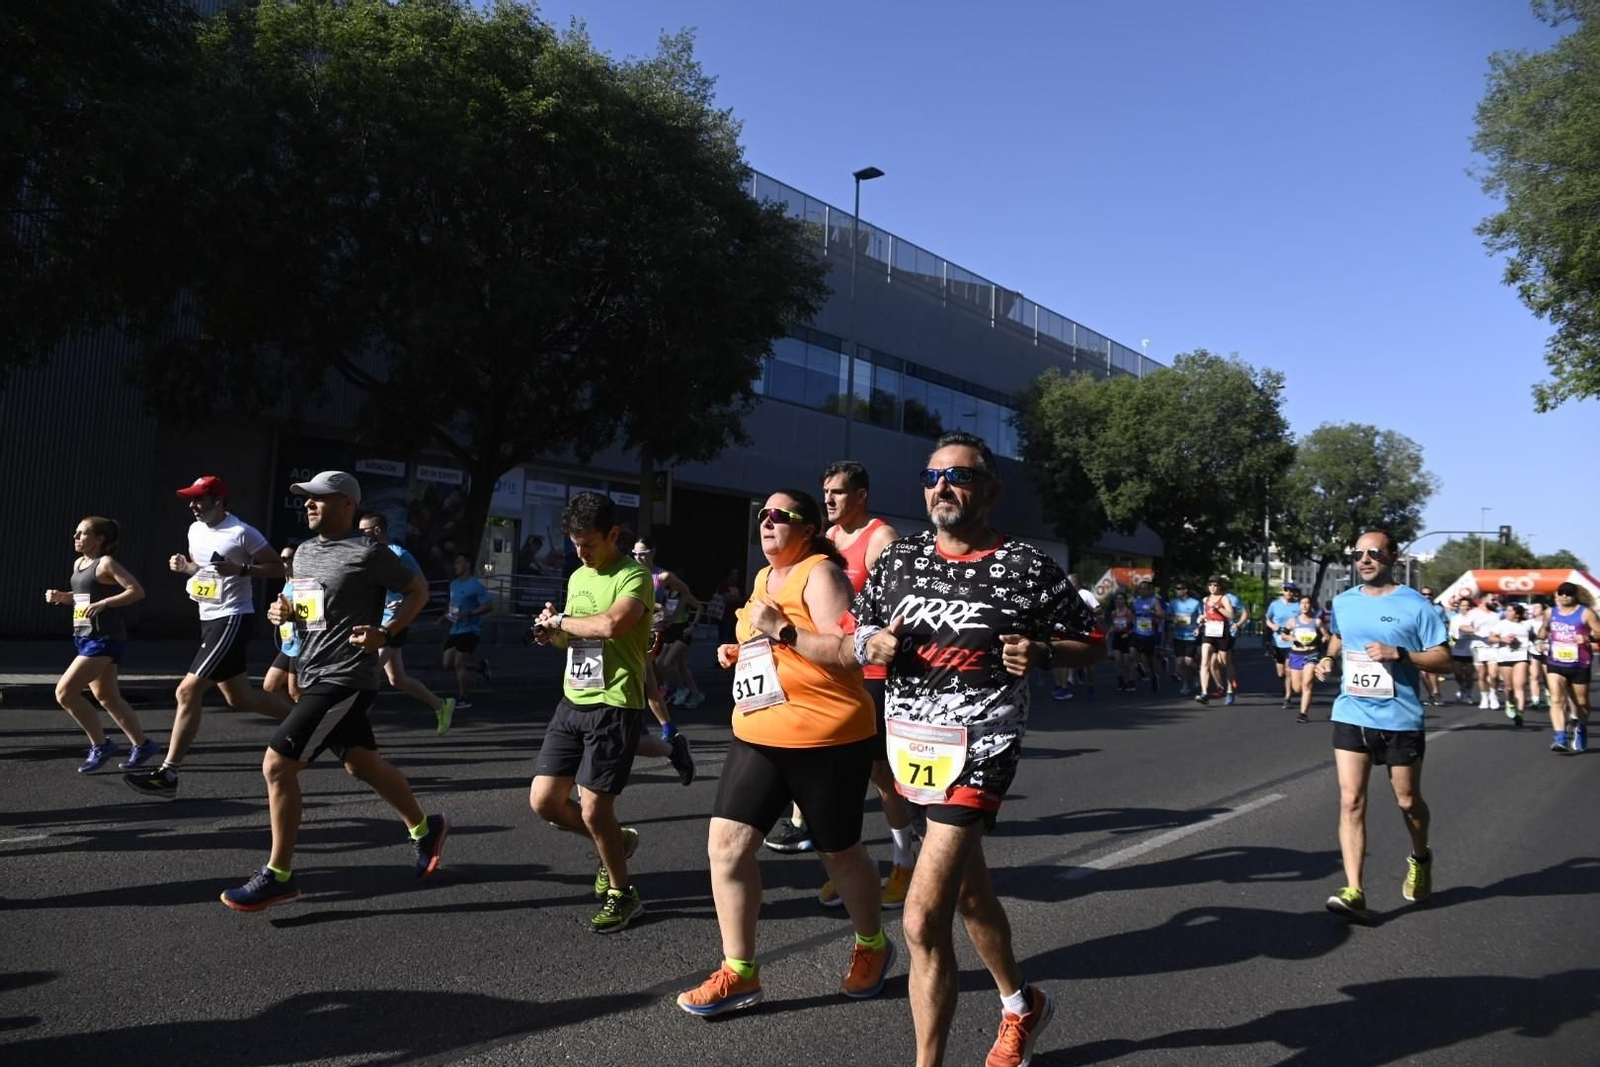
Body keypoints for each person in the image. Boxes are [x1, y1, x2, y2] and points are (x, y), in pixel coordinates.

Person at [851, 432, 1104, 1067]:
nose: (942, 487)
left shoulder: (1024, 565)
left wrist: (1045, 653)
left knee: (920, 917)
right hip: (910, 745)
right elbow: (859, 629)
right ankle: (1022, 1005)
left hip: (981, 746)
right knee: (969, 895)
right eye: (931, 476)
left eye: (958, 478)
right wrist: (868, 645)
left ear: (989, 491)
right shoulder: (899, 560)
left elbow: (1092, 642)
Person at [676, 488, 894, 1015]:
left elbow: (846, 655)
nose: (767, 522)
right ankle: (739, 972)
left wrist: (782, 630)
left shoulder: (821, 574)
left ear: (808, 527)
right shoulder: (762, 578)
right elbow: (768, 644)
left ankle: (872, 945)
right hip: (759, 730)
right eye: (763, 515)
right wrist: (743, 648)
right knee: (726, 847)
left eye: (781, 516)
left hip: (826, 737)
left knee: (838, 853)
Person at [222, 471, 447, 911]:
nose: (308, 504)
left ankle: (278, 875)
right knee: (363, 765)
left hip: (347, 677)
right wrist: (283, 611)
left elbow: (417, 590)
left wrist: (386, 631)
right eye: (305, 498)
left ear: (347, 504)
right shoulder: (304, 552)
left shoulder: (370, 553)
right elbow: (306, 608)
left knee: (277, 766)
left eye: (318, 499)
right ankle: (426, 828)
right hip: (312, 670)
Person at [529, 493, 689, 934]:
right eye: (575, 544)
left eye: (589, 544)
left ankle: (624, 893)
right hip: (572, 700)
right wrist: (552, 633)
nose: (581, 553)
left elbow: (611, 626)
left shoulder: (633, 577)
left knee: (596, 809)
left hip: (615, 704)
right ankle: (618, 843)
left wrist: (561, 622)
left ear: (614, 535)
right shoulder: (579, 576)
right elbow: (578, 637)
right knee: (544, 802)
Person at [125, 476, 290, 800]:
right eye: (191, 499)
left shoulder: (242, 532)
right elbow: (205, 572)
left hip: (233, 617)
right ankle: (310, 722)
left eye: (199, 500)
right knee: (240, 698)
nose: (193, 505)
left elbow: (278, 568)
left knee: (187, 690)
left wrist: (242, 570)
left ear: (219, 501)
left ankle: (169, 773)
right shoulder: (195, 529)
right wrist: (186, 567)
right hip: (208, 619)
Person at [1314, 531, 1450, 923]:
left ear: (1392, 556)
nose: (1365, 559)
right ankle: (1354, 889)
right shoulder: (1344, 601)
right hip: (1351, 712)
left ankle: (1420, 857)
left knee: (1408, 801)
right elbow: (1339, 636)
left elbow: (1443, 659)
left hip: (1400, 719)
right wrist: (1327, 659)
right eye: (1358, 553)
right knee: (1350, 800)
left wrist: (1401, 654)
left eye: (1373, 552)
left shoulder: (1417, 606)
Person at [815, 459, 918, 910]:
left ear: (861, 496)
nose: (829, 501)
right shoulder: (831, 539)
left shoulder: (881, 539)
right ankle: (853, 866)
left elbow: (905, 605)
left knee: (881, 775)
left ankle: (904, 862)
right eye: (825, 493)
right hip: (836, 672)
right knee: (839, 776)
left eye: (837, 493)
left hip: (874, 676)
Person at [45, 516, 157, 773]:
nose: (76, 537)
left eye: (82, 533)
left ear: (100, 539)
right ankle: (143, 744)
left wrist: (105, 604)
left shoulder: (106, 563)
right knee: (107, 695)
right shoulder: (79, 563)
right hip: (84, 636)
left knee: (65, 692)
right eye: (76, 533)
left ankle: (101, 744)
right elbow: (87, 596)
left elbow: (136, 591)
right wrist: (63, 597)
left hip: (105, 639)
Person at [357, 513, 456, 734]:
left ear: (377, 530)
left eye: (363, 531)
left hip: (395, 623)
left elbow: (422, 590)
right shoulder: (372, 555)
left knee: (366, 672)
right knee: (397, 680)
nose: (359, 536)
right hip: (376, 622)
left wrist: (402, 601)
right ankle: (442, 705)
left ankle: (355, 727)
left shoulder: (400, 554)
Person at [635, 538, 706, 710]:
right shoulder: (632, 572)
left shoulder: (662, 576)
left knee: (655, 666)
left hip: (659, 629)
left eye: (642, 554)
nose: (638, 558)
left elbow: (686, 593)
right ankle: (670, 694)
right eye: (635, 554)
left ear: (652, 553)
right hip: (638, 628)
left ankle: (666, 702)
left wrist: (673, 616)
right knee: (663, 666)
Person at [1541, 582, 1596, 753]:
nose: (1565, 596)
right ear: (1557, 595)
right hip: (1556, 662)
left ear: (1575, 596)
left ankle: (1581, 727)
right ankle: (1560, 737)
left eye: (1568, 593)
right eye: (1561, 593)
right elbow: (1543, 630)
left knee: (1582, 703)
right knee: (1557, 699)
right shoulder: (1550, 612)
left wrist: (1587, 638)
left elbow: (1599, 632)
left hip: (1579, 662)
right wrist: (1541, 637)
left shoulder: (1586, 613)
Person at [443, 553, 493, 709]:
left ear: (467, 564)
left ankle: (464, 698)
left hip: (471, 629)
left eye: (459, 562)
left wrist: (472, 613)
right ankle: (480, 667)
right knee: (446, 663)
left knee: (459, 663)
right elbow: (452, 608)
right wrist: (444, 617)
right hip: (455, 630)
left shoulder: (475, 585)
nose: (455, 566)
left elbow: (489, 605)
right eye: (455, 563)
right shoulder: (453, 584)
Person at [1051, 573, 1100, 700]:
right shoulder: (1064, 595)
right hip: (1071, 630)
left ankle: (1092, 686)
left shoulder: (1086, 594)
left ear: (1076, 582)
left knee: (1089, 662)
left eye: (1070, 581)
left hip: (1086, 630)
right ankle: (1063, 686)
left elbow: (1098, 609)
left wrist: (1086, 611)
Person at [262, 544, 301, 704]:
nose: (282, 562)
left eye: (286, 559)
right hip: (288, 643)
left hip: (301, 644)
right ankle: (295, 719)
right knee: (270, 686)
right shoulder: (287, 580)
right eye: (281, 559)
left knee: (296, 692)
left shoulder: (303, 582)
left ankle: (310, 724)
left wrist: (290, 613)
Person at [1489, 603, 1536, 724]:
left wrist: (1538, 644)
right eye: (1507, 610)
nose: (1507, 613)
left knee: (1520, 685)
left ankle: (1519, 713)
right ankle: (1510, 703)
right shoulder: (1502, 624)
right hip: (1505, 657)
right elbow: (1491, 638)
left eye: (1510, 611)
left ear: (1518, 613)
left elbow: (1533, 637)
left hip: (1522, 656)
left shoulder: (1527, 625)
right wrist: (1502, 639)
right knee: (1509, 688)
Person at [1194, 576, 1236, 706]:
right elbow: (1206, 615)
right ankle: (1204, 692)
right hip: (1209, 631)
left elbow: (1231, 615)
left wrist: (1219, 608)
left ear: (1220, 586)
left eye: (1215, 585)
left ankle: (1230, 690)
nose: (1213, 587)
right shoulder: (1205, 599)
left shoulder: (1224, 598)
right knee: (1204, 660)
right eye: (1210, 585)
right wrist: (1200, 621)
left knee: (1225, 663)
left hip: (1222, 632)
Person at [1286, 595, 1326, 725]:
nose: (1304, 605)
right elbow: (1283, 634)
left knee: (1307, 683)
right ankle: (1303, 697)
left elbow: (1327, 636)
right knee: (1297, 688)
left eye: (1307, 603)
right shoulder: (1293, 621)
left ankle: (1303, 714)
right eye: (1302, 603)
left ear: (1311, 605)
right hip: (1296, 653)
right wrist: (1292, 639)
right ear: (1299, 606)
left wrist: (1321, 640)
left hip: (1312, 653)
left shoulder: (1317, 622)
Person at [1264, 582, 1302, 708]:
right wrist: (1273, 626)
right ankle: (1286, 686)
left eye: (1291, 590)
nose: (1289, 592)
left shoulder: (1298, 606)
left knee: (1288, 670)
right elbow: (1267, 619)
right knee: (1281, 673)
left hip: (1293, 642)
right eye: (1286, 590)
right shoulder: (1275, 604)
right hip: (1278, 642)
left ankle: (1287, 697)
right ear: (1283, 591)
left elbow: (1308, 616)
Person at [1166, 581, 1203, 697]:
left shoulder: (1196, 603)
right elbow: (1168, 616)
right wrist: (1173, 619)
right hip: (1178, 635)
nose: (1178, 591)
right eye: (1176, 589)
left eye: (1180, 588)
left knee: (1188, 661)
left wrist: (1199, 627)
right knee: (1179, 662)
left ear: (1185, 590)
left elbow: (1202, 617)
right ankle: (1185, 684)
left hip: (1191, 635)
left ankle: (1196, 672)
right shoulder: (1173, 603)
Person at [1129, 579, 1166, 693]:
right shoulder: (1135, 601)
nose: (1142, 590)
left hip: (1149, 634)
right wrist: (1133, 623)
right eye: (1140, 588)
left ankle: (1154, 676)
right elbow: (1132, 614)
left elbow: (1162, 615)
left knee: (1149, 659)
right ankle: (1134, 678)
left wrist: (1153, 613)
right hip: (1137, 632)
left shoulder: (1154, 601)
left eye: (1145, 588)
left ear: (1150, 590)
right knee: (1132, 655)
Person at [1108, 592, 1136, 692]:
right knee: (1118, 660)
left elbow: (1133, 627)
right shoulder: (1113, 613)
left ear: (1124, 600)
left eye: (1120, 599)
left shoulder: (1128, 612)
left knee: (1127, 661)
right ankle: (1121, 681)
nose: (1118, 601)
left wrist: (1128, 633)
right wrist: (1109, 634)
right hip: (1117, 637)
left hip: (1127, 637)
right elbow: (1113, 626)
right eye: (1117, 599)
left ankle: (1131, 680)